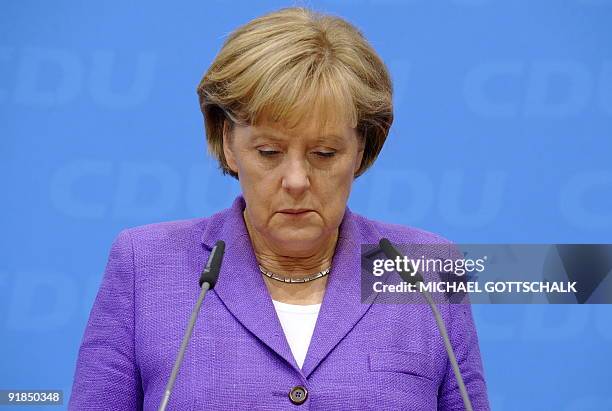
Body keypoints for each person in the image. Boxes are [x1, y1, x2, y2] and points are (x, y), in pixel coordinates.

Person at [69, 7, 490, 410]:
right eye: (268, 151)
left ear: (361, 148)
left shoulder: (426, 271)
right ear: (228, 142)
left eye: (324, 153)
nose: (296, 180)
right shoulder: (145, 264)